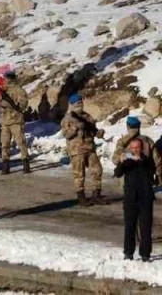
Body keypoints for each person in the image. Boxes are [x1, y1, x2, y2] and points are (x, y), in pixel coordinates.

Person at [114, 132, 156, 262]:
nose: (134, 150)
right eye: (132, 148)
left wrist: (140, 160)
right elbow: (118, 173)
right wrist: (123, 162)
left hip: (145, 198)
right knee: (130, 226)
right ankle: (128, 252)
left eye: (137, 147)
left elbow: (152, 169)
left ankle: (145, 254)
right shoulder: (128, 161)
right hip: (131, 198)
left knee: (145, 227)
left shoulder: (147, 160)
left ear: (142, 148)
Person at [61, 93, 105, 204]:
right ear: (72, 104)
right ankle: (81, 197)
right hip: (77, 150)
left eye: (81, 102)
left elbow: (93, 130)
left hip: (90, 148)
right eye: (77, 102)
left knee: (97, 170)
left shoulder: (87, 116)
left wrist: (99, 133)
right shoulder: (68, 118)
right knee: (79, 174)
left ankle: (97, 194)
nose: (80, 104)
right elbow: (66, 134)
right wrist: (75, 127)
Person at [0, 71, 30, 174]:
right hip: (4, 121)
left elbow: (22, 105)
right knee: (4, 144)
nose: (4, 80)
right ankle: (5, 165)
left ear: (10, 79)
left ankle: (25, 163)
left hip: (15, 120)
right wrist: (0, 99)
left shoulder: (19, 90)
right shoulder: (3, 90)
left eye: (5, 78)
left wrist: (9, 102)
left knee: (21, 143)